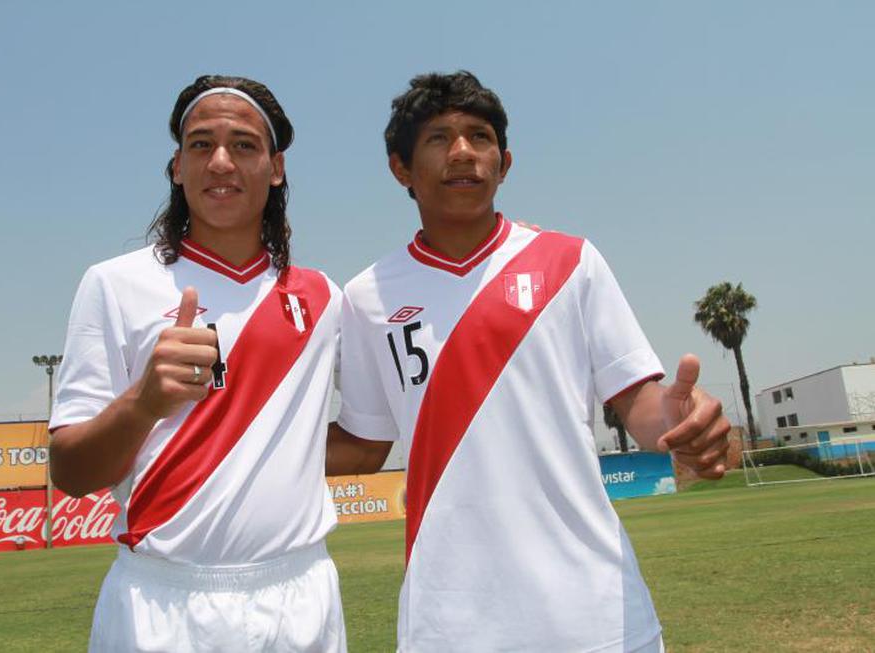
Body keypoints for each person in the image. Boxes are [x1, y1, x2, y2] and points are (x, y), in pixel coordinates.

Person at [327, 71, 731, 652]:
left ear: (505, 161)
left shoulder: (571, 261)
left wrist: (683, 422)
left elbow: (641, 404)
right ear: (401, 168)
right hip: (448, 625)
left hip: (597, 616)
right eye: (439, 138)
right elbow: (363, 444)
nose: (464, 151)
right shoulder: (366, 297)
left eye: (480, 136)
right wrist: (236, 448)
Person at [50, 75, 346, 652]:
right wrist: (144, 403)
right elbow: (72, 473)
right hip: (160, 604)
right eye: (200, 144)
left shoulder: (324, 297)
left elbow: (368, 431)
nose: (220, 162)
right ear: (177, 167)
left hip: (300, 596)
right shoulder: (114, 284)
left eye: (243, 145)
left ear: (276, 166)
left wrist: (504, 245)